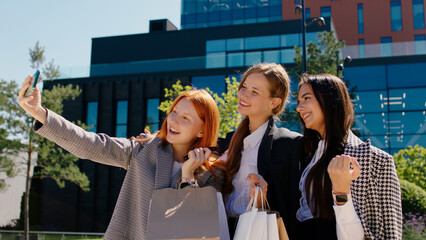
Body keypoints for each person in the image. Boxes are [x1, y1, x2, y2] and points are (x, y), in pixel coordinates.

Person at [18, 75, 226, 240]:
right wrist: (39, 113)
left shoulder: (212, 175)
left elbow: (192, 225)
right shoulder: (143, 150)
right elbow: (91, 144)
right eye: (174, 112)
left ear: (202, 131)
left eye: (185, 118)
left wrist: (188, 174)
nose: (174, 121)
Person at [295, 74, 402, 239]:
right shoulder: (309, 155)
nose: (299, 108)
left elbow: (389, 233)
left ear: (330, 101)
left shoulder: (376, 160)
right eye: (298, 101)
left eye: (306, 98)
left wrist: (341, 191)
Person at [219, 63, 304, 239]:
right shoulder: (228, 141)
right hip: (222, 232)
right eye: (244, 87)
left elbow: (292, 206)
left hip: (257, 232)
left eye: (254, 92)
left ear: (274, 102)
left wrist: (263, 197)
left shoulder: (288, 144)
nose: (243, 94)